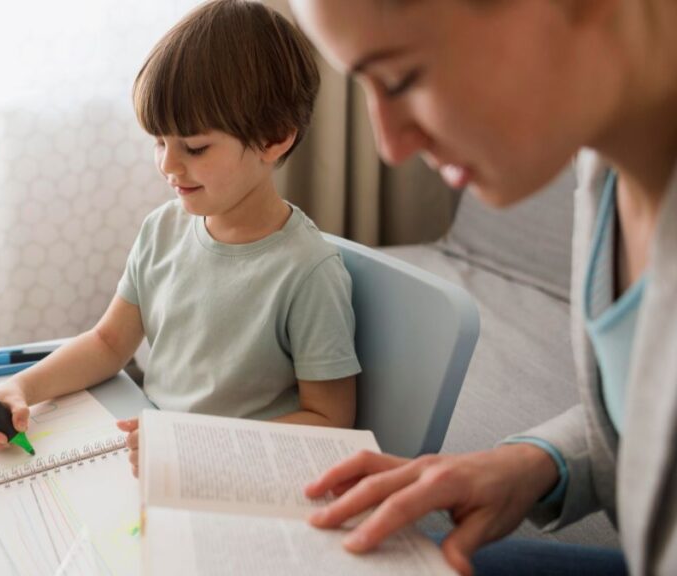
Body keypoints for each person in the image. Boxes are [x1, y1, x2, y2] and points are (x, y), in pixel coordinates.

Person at [288, 0, 677, 575]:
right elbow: (649, 408)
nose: (390, 145)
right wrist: (529, 464)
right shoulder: (603, 159)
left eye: (400, 77)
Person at [0, 0, 361, 476]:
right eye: (159, 141)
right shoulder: (162, 228)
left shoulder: (307, 271)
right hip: (155, 452)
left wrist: (196, 446)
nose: (168, 166)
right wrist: (21, 388)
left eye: (194, 148)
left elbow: (332, 420)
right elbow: (110, 342)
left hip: (236, 472)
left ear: (275, 138)